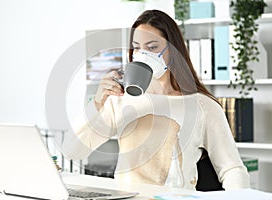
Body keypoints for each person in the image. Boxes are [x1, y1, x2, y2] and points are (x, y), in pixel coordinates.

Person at [67, 9, 250, 191]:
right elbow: (73, 151)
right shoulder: (120, 99)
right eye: (137, 47)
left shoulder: (201, 105)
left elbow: (232, 169)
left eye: (152, 47)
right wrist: (97, 103)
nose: (142, 54)